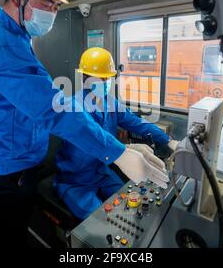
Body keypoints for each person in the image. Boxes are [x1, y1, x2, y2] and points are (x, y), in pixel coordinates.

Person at [0, 0, 169, 248]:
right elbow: (55, 111)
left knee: (16, 233)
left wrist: (128, 146)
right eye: (47, 1)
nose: (53, 12)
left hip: (17, 161)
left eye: (57, 5)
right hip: (1, 168)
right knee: (8, 239)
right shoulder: (2, 44)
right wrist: (121, 152)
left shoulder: (18, 36)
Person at [54, 48, 180, 220]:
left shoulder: (110, 102)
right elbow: (85, 149)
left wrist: (168, 140)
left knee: (128, 204)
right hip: (76, 179)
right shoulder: (74, 107)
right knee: (101, 220)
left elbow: (137, 123)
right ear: (86, 78)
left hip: (101, 171)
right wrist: (126, 149)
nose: (107, 82)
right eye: (102, 78)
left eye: (109, 78)